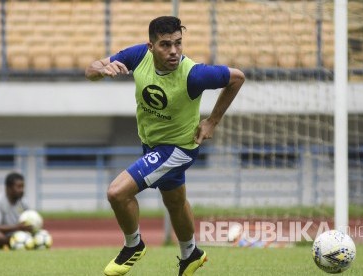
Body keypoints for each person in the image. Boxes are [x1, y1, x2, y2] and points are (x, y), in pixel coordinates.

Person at [86, 16, 245, 276]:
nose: (173, 51)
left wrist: (212, 122)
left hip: (178, 149)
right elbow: (90, 70)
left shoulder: (195, 75)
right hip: (151, 145)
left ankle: (133, 245)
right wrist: (102, 70)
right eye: (165, 45)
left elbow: (237, 78)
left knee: (117, 192)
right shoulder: (138, 55)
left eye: (178, 44)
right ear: (151, 46)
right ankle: (191, 253)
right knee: (175, 201)